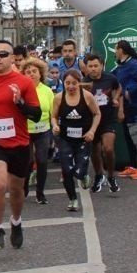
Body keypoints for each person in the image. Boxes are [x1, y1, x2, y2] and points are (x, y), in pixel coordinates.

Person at [0, 39, 41, 250]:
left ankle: (16, 221)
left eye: (3, 54)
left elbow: (37, 115)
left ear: (13, 58)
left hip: (19, 143)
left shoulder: (24, 83)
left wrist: (20, 103)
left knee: (17, 189)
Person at [51, 68, 100, 212]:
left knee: (78, 170)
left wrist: (92, 131)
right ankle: (72, 199)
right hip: (65, 138)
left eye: (74, 83)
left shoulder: (87, 96)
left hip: (84, 138)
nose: (71, 86)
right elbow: (53, 116)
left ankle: (83, 175)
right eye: (67, 83)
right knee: (67, 170)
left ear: (79, 82)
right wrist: (55, 126)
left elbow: (97, 114)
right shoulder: (59, 97)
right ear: (63, 83)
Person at [83, 54, 123, 194]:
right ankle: (99, 175)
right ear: (86, 68)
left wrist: (117, 101)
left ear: (101, 66)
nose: (93, 69)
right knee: (95, 151)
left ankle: (111, 176)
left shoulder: (110, 78)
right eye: (90, 66)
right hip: (92, 120)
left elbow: (119, 88)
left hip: (108, 118)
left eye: (96, 66)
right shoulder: (84, 82)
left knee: (108, 149)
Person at [111, 40, 137, 176]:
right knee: (129, 137)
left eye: (116, 49)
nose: (115, 52)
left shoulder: (134, 64)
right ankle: (134, 166)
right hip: (125, 107)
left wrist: (129, 92)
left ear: (121, 50)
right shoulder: (121, 67)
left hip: (135, 106)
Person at [23, 58, 55, 205]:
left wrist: (54, 130)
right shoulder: (21, 90)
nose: (31, 74)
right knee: (27, 161)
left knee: (42, 161)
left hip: (43, 130)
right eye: (28, 72)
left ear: (40, 73)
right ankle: (23, 188)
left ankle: (40, 193)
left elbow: (52, 113)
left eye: (34, 71)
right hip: (25, 130)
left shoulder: (47, 91)